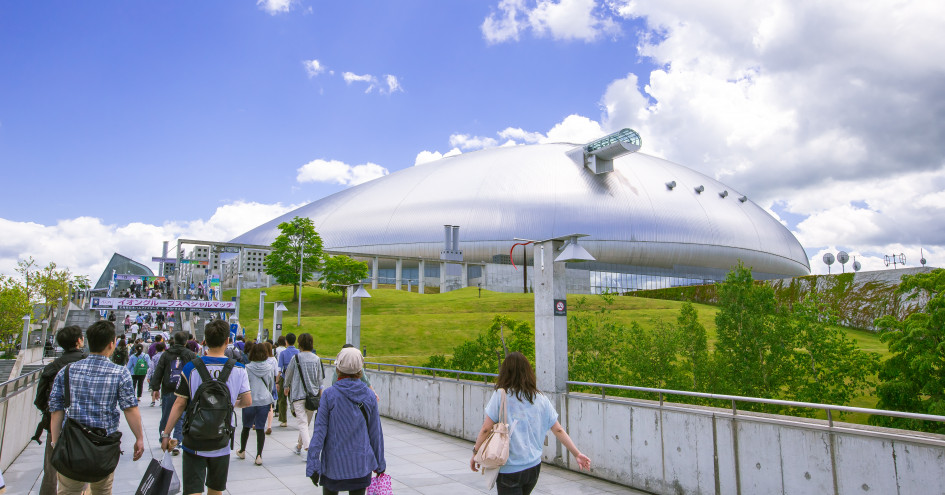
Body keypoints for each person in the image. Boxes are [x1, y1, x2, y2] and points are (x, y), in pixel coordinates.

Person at [470, 352, 591, 495]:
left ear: (505, 372)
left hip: (510, 469)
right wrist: (577, 453)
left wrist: (476, 452)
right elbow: (558, 429)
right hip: (533, 467)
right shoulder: (540, 398)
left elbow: (486, 429)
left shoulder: (500, 395)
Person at [48, 320, 145, 494]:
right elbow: (130, 408)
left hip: (72, 446)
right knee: (102, 490)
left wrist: (56, 442)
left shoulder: (67, 371)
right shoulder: (120, 373)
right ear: (111, 343)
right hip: (103, 447)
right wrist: (139, 438)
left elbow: (56, 411)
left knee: (69, 491)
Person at [160, 319, 251, 495]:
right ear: (227, 341)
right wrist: (231, 404)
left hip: (194, 438)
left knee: (193, 489)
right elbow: (247, 401)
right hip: (222, 437)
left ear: (205, 341)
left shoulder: (191, 368)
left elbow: (180, 403)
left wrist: (166, 433)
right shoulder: (239, 369)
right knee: (216, 490)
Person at [307, 347, 385, 495]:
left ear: (338, 369)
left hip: (333, 465)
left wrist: (313, 463)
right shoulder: (369, 396)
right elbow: (376, 433)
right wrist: (380, 464)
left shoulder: (329, 395)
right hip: (360, 464)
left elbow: (319, 432)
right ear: (360, 370)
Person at [33, 325, 87, 495]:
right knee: (84, 470)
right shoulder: (87, 363)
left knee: (51, 469)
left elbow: (40, 400)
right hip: (84, 426)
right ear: (79, 341)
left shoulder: (52, 366)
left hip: (54, 425)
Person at [150, 331, 197, 456]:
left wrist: (155, 388)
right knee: (181, 416)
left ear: (174, 341)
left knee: (166, 415)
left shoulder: (166, 355)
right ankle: (177, 441)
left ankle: (163, 437)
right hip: (184, 390)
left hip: (168, 388)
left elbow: (159, 370)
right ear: (185, 341)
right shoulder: (190, 355)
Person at [283, 333, 324, 455]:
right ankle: (300, 445)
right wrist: (320, 396)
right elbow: (320, 380)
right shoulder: (317, 359)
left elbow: (288, 374)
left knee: (302, 423)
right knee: (305, 423)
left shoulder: (296, 358)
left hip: (298, 395)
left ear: (299, 344)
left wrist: (286, 386)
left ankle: (308, 448)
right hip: (313, 396)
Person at [237, 343, 275, 465]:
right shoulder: (269, 368)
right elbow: (270, 385)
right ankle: (259, 455)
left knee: (246, 427)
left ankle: (242, 451)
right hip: (264, 400)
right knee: (260, 428)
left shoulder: (247, 368)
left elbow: (244, 386)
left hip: (250, 401)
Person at [276, 333, 299, 427]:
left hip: (284, 378)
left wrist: (277, 382)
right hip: (295, 378)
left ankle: (283, 420)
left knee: (282, 399)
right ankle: (296, 413)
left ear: (286, 342)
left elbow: (279, 369)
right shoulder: (298, 352)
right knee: (295, 398)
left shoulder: (283, 353)